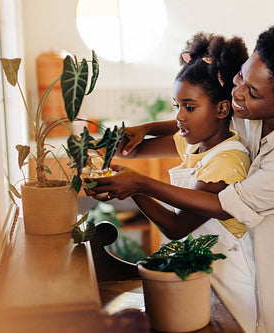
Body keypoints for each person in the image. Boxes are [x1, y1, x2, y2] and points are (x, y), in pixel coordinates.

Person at [87, 23, 274, 332]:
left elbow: (224, 205)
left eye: (252, 92)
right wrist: (145, 129)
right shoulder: (255, 110)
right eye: (241, 77)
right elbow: (207, 118)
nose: (237, 94)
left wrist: (140, 184)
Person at [87, 33, 257, 332]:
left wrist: (134, 188)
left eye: (189, 107)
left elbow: (177, 227)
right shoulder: (193, 144)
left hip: (230, 284)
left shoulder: (227, 160)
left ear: (222, 109)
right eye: (176, 105)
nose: (178, 117)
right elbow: (135, 149)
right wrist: (97, 148)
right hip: (199, 277)